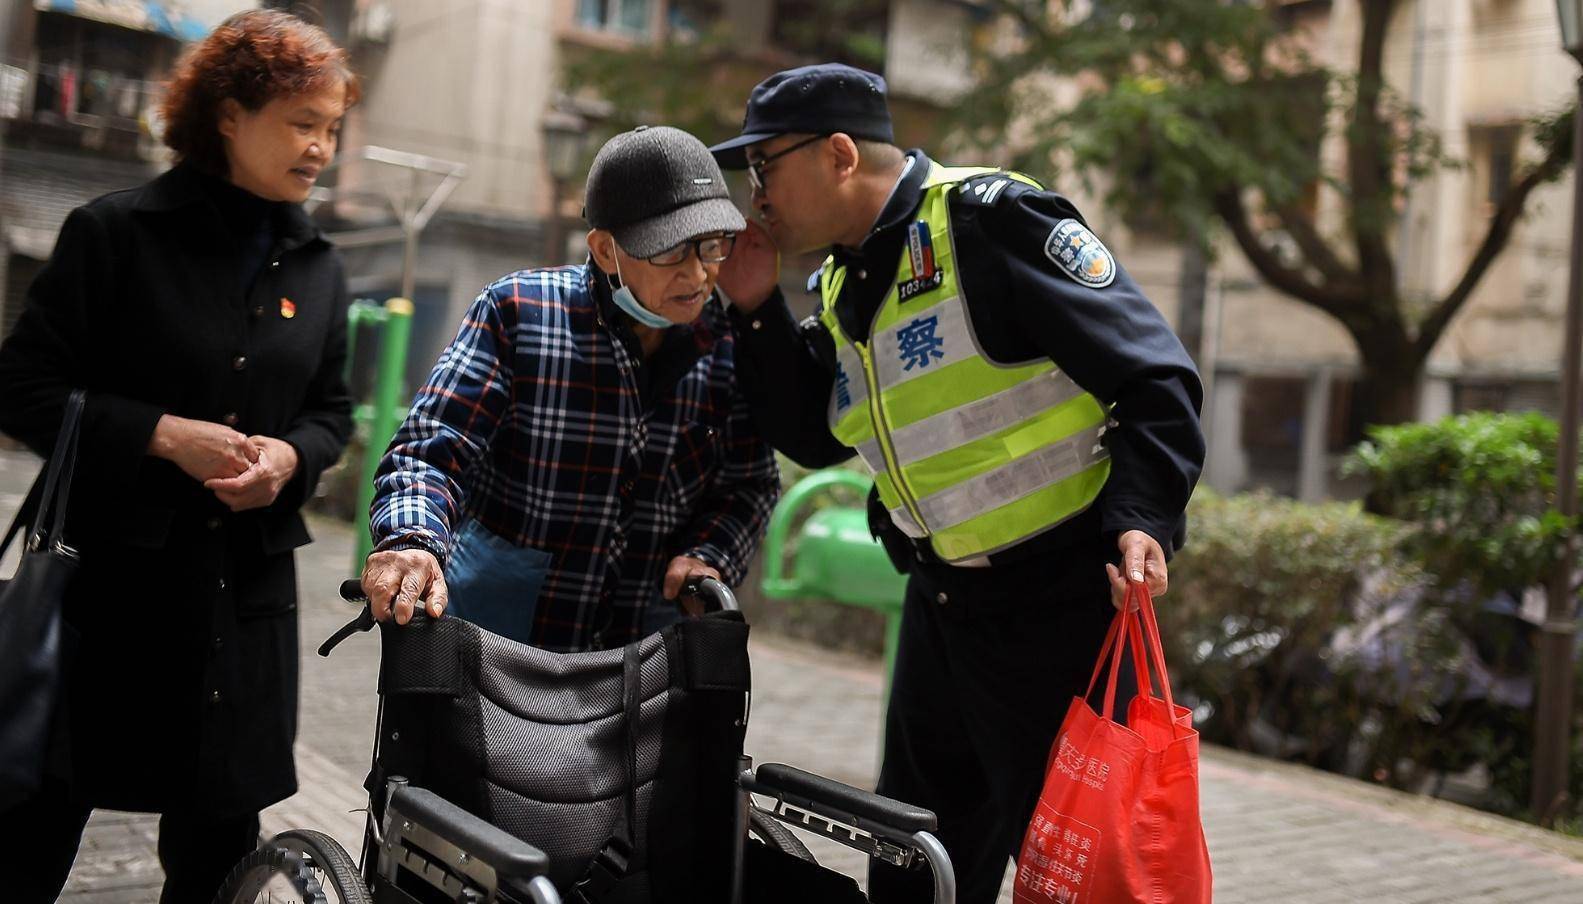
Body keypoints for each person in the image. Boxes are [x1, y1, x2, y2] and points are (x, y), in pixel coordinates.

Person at [708, 63, 1206, 904]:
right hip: (943, 613)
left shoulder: (991, 221)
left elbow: (1154, 377)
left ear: (836, 154)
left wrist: (1143, 514)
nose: (755, 195)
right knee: (912, 855)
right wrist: (756, 309)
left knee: (1079, 870)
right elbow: (811, 437)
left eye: (766, 166)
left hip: (1064, 613)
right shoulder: (838, 283)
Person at [0, 10, 356, 903]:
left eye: (333, 129)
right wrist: (162, 434)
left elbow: (332, 412)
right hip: (109, 601)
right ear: (229, 115)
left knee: (216, 863)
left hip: (243, 608)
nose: (321, 147)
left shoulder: (319, 266)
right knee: (31, 838)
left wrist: (289, 459)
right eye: (302, 123)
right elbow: (22, 389)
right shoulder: (115, 235)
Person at [362, 125, 778, 653]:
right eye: (671, 251)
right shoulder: (519, 311)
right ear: (607, 251)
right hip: (499, 651)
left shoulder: (727, 341)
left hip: (644, 660)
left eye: (712, 247)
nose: (697, 274)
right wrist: (412, 541)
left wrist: (710, 553)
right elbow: (429, 452)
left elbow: (750, 483)